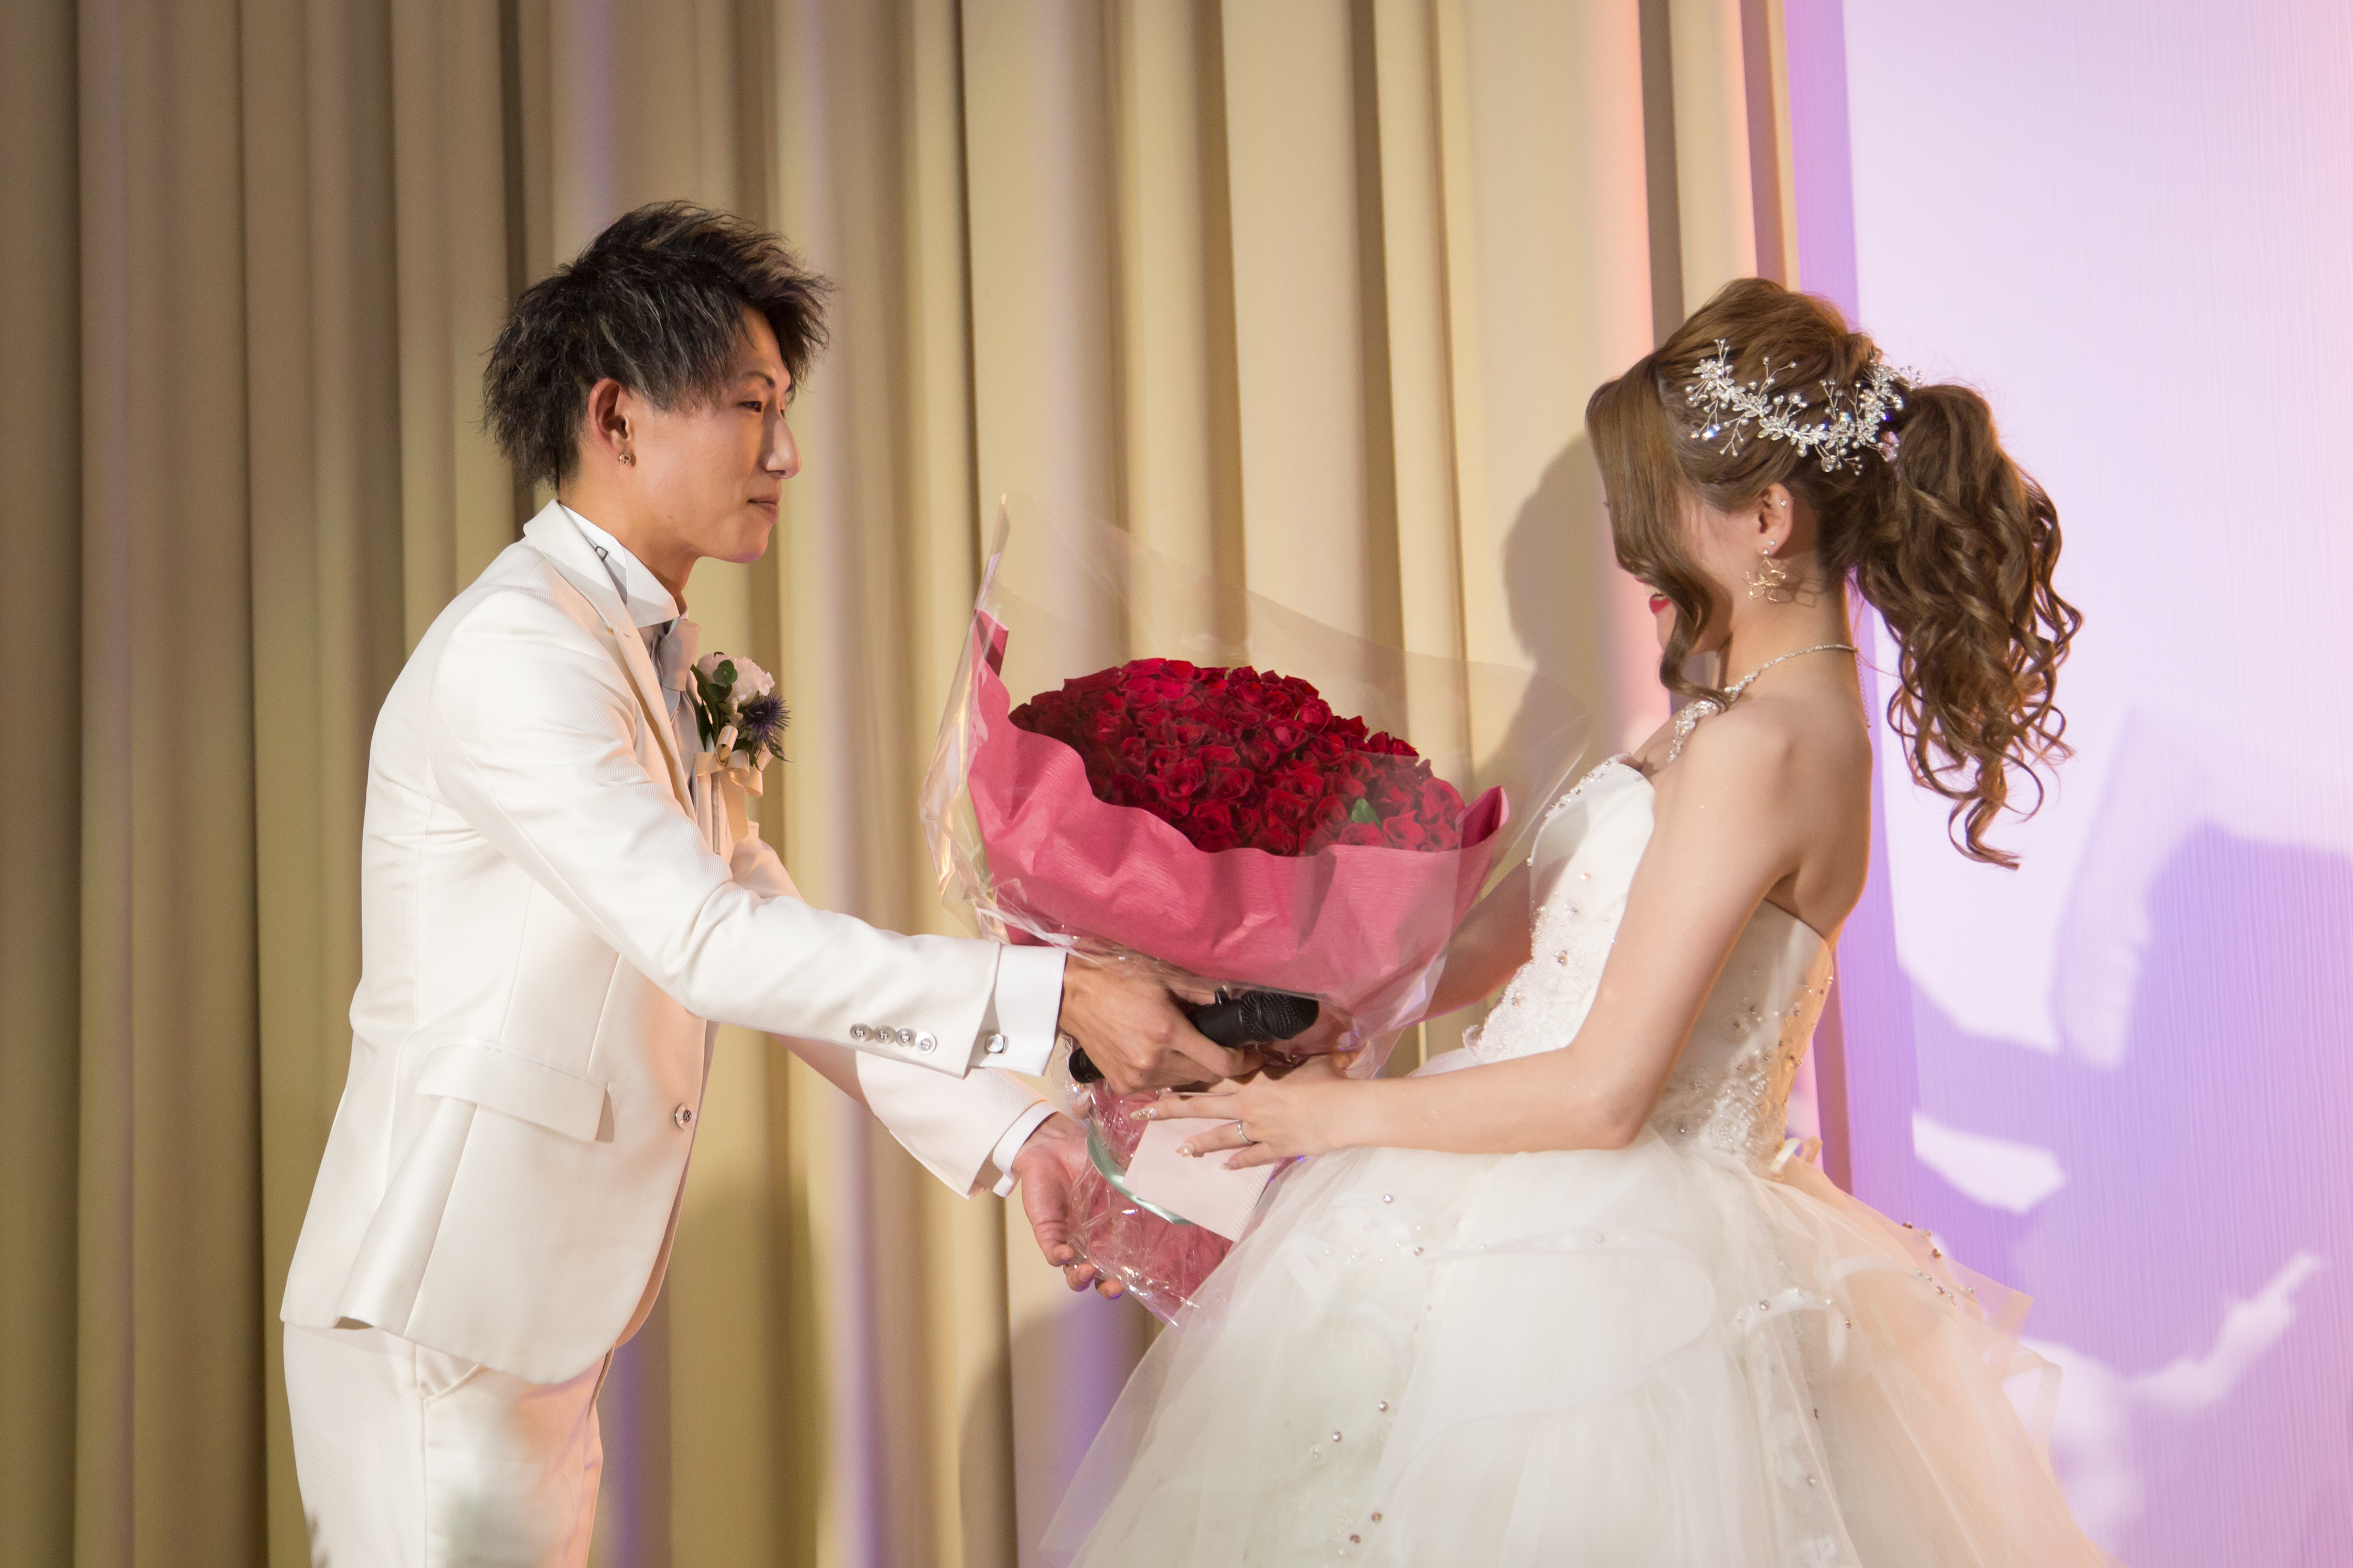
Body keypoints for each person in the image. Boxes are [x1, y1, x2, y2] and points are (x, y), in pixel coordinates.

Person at [1053, 278, 2112, 1565]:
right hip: (1513, 1201)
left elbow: (1607, 1093)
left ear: (1767, 517)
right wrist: (1277, 1006)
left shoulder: (1766, 746)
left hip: (1606, 1265)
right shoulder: (1728, 726)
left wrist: (1323, 1118)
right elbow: (1503, 950)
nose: (1633, 554)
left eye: (1653, 513)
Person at [277, 203, 1234, 1567]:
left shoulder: (646, 655)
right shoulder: (518, 651)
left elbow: (776, 944)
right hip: (443, 1305)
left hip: (528, 1311)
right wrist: (1063, 988)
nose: (786, 453)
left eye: (784, 409)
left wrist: (1020, 1132)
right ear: (617, 418)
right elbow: (709, 945)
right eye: (749, 406)